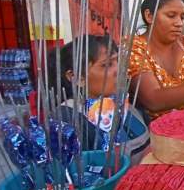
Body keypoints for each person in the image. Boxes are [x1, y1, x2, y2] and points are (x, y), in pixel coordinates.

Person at [47, 35, 149, 164]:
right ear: (77, 77)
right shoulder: (68, 119)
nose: (119, 70)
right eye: (107, 65)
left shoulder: (124, 101)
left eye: (118, 61)